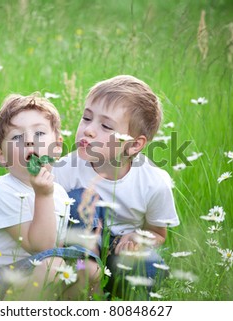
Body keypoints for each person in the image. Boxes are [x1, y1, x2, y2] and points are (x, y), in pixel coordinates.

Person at [0, 93, 101, 300]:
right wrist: (43, 194)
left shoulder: (59, 192)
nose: (29, 140)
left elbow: (55, 247)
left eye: (39, 133)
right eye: (17, 137)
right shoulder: (4, 191)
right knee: (53, 268)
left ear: (57, 147)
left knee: (87, 270)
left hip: (32, 273)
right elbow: (42, 248)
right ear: (2, 156)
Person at [52, 75, 180, 299]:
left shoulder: (154, 182)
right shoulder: (63, 170)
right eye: (86, 118)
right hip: (76, 249)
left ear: (134, 145)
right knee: (79, 198)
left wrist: (139, 237)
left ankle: (114, 294)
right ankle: (86, 283)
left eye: (105, 126)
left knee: (151, 268)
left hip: (119, 252)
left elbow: (158, 232)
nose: (88, 130)